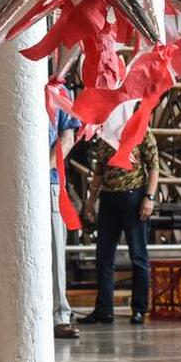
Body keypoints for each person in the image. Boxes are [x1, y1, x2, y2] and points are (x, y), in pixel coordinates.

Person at [77, 109, 159, 327]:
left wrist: (149, 198)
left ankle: (139, 309)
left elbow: (153, 167)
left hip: (134, 197)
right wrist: (91, 201)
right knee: (104, 257)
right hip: (109, 198)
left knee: (138, 256)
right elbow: (99, 171)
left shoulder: (142, 130)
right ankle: (104, 310)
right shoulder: (105, 134)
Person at [50, 99, 82, 339]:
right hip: (12, 182)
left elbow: (67, 138)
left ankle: (60, 315)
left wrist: (41, 166)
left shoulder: (58, 92)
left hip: (50, 180)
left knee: (55, 251)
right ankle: (2, 315)